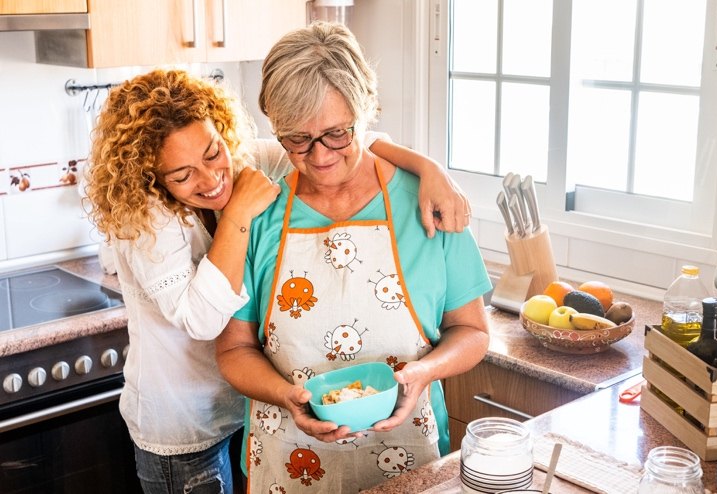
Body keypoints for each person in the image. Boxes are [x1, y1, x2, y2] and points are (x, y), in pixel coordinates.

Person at [84, 69, 472, 494]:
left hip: (240, 411)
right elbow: (203, 322)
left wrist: (431, 168)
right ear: (151, 178)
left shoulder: (242, 160)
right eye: (182, 176)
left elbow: (350, 137)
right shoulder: (145, 222)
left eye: (214, 154)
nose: (212, 179)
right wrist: (237, 215)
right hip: (186, 427)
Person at [215, 22, 491, 493]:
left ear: (366, 112)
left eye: (337, 134)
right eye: (296, 139)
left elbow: (472, 331)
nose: (318, 155)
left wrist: (423, 372)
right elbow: (233, 349)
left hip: (407, 452)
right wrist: (287, 394)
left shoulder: (426, 202)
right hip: (287, 461)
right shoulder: (256, 215)